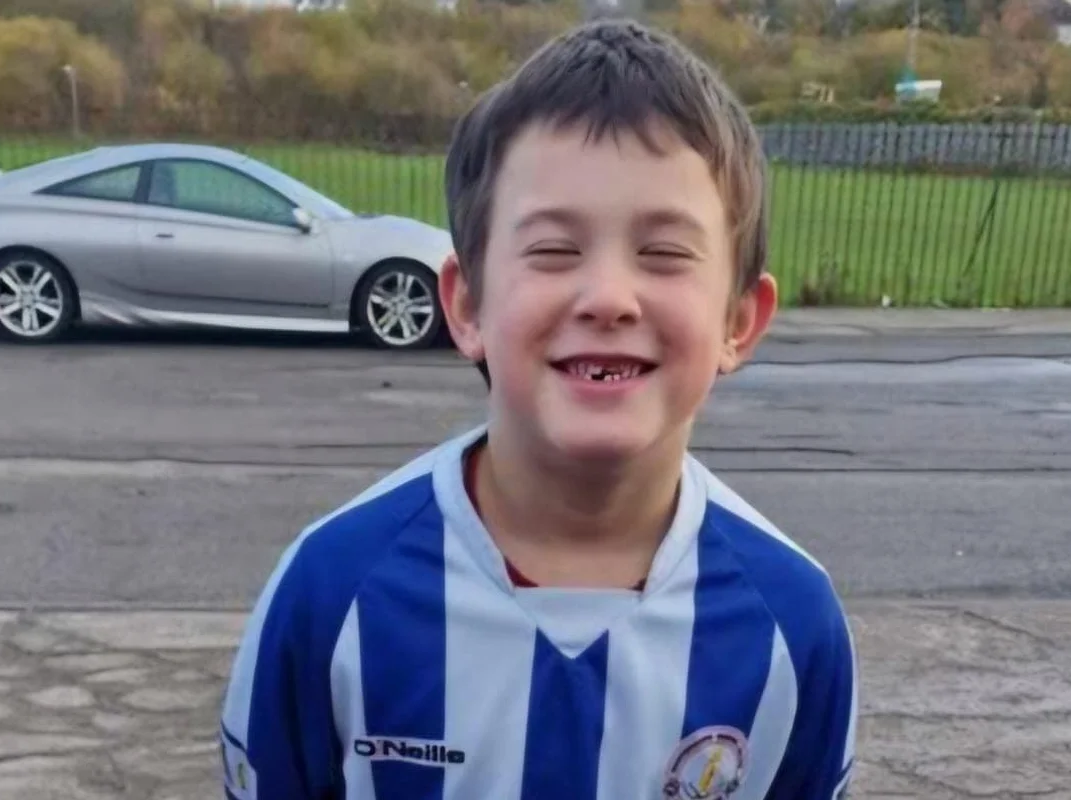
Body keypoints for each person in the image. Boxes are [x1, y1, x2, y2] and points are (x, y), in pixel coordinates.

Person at [218, 17, 858, 800]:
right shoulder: (329, 592)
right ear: (465, 304)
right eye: (554, 250)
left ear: (738, 321)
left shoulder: (793, 622)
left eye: (664, 253)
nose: (608, 298)